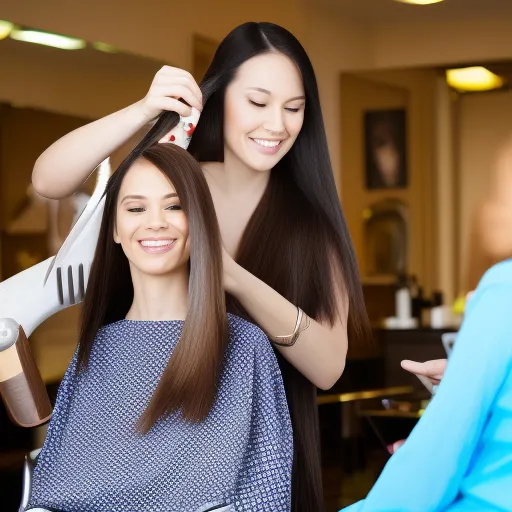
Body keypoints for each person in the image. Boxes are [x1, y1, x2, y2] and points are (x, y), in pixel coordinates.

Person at [31, 22, 371, 511]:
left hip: (262, 466)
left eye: (293, 109)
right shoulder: (172, 185)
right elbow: (49, 179)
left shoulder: (311, 227)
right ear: (219, 97)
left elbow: (328, 367)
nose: (276, 124)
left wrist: (230, 275)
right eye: (257, 102)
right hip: (160, 448)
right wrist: (145, 110)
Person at [25, 143, 293, 512]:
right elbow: (52, 487)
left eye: (174, 206)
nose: (155, 222)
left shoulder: (245, 346)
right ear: (115, 230)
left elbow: (268, 490)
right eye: (136, 208)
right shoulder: (98, 348)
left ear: (199, 221)